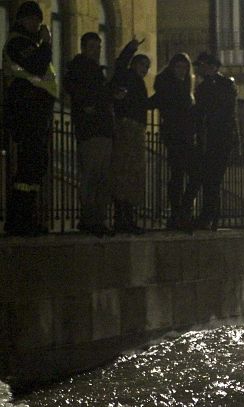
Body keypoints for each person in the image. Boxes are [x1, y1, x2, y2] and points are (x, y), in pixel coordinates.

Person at [2, 1, 57, 236]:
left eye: (38, 19)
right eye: (32, 19)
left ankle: (26, 217)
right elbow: (37, 66)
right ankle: (17, 219)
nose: (36, 23)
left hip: (37, 113)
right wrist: (46, 43)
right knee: (28, 166)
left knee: (36, 165)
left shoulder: (31, 44)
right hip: (25, 111)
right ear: (22, 20)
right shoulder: (17, 43)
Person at [179, 51, 238, 231]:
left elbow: (222, 111)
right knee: (207, 179)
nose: (200, 69)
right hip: (209, 140)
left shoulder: (225, 85)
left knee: (213, 180)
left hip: (219, 140)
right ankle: (204, 216)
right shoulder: (205, 87)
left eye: (203, 65)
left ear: (212, 66)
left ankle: (208, 217)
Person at [64, 32, 116, 236]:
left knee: (102, 178)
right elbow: (73, 89)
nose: (97, 50)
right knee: (92, 176)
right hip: (91, 130)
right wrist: (87, 104)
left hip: (102, 129)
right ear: (84, 47)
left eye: (99, 46)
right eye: (93, 46)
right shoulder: (79, 68)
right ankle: (90, 219)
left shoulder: (94, 70)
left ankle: (97, 219)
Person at [150, 53, 195, 229]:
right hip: (176, 136)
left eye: (184, 67)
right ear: (172, 67)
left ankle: (181, 210)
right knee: (178, 174)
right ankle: (179, 211)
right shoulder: (169, 86)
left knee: (187, 174)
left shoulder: (185, 86)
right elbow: (162, 103)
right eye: (178, 67)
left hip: (185, 136)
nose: (182, 71)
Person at [110, 38, 149, 234]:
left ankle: (128, 216)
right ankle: (122, 217)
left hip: (137, 129)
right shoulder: (126, 76)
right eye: (141, 64)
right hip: (127, 127)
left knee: (133, 173)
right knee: (124, 171)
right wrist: (131, 48)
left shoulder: (139, 83)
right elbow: (119, 64)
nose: (144, 69)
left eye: (146, 66)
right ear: (134, 64)